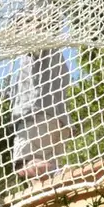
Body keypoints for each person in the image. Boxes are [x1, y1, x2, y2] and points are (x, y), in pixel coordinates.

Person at [11, 46, 77, 181]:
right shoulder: (57, 54)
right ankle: (56, 172)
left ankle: (55, 171)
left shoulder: (39, 47)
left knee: (24, 165)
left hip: (36, 118)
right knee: (43, 179)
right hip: (57, 121)